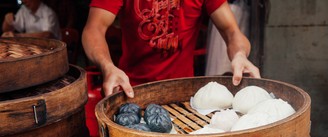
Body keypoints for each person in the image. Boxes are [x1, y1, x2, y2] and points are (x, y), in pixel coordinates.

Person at [82, 0, 261, 98]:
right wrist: (108, 66)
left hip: (182, 94)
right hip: (131, 92)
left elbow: (232, 31)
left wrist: (239, 55)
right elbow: (93, 29)